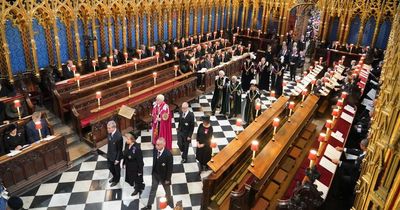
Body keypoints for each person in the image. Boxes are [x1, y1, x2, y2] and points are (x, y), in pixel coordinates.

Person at [142, 138, 174, 210]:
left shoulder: (168, 154)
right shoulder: (155, 150)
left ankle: (168, 204)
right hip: (155, 174)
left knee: (167, 191)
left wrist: (168, 179)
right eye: (156, 144)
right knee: (153, 190)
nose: (156, 146)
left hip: (164, 177)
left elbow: (170, 168)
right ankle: (149, 206)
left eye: (158, 145)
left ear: (163, 145)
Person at [106, 120, 123, 187]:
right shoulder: (110, 133)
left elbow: (119, 149)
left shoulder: (119, 136)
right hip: (110, 155)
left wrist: (117, 159)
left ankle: (116, 180)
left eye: (109, 128)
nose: (107, 129)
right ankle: (114, 177)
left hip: (116, 157)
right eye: (107, 128)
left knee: (117, 170)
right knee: (110, 167)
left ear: (113, 128)